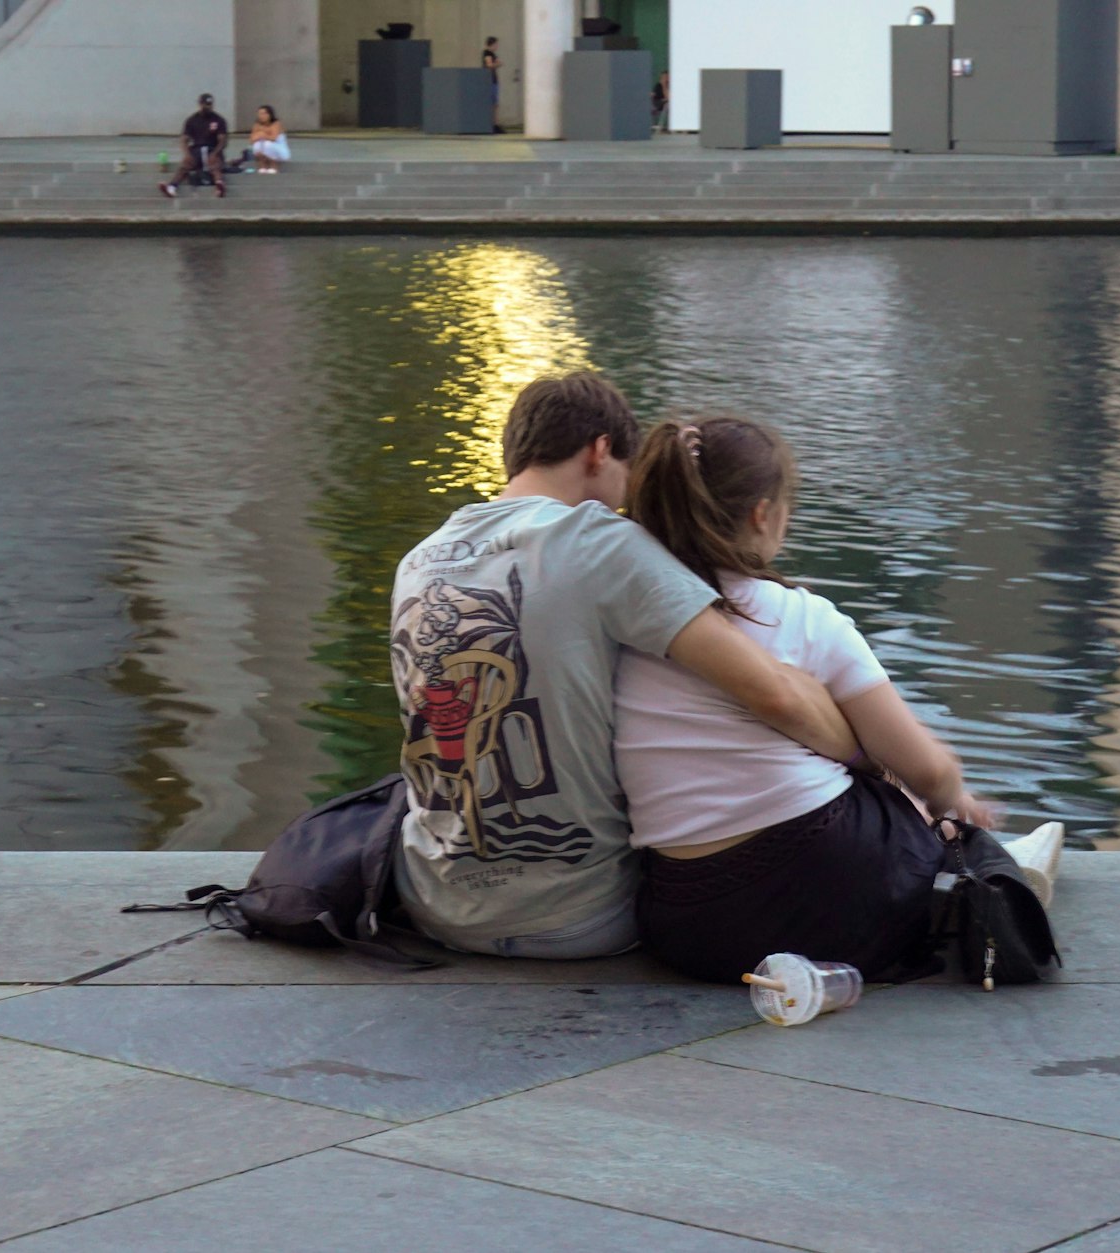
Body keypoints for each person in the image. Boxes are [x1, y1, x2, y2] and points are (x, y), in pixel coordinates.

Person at [388, 374, 859, 960]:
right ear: (600, 450)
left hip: (433, 903)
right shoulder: (600, 541)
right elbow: (774, 696)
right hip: (578, 918)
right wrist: (864, 753)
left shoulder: (420, 559)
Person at [614, 416, 1001, 985]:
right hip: (827, 891)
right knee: (909, 803)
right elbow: (928, 768)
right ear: (762, 515)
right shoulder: (803, 617)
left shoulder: (629, 622)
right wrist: (955, 804)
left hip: (687, 923)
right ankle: (974, 861)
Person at [159, 92, 230, 198]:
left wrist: (215, 153)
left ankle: (219, 186)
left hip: (212, 148)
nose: (208, 107)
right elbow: (184, 139)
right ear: (200, 104)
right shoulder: (192, 120)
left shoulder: (219, 120)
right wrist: (187, 154)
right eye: (205, 104)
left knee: (215, 163)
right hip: (196, 149)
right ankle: (172, 187)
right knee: (185, 165)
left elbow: (223, 140)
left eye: (210, 104)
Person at [248, 105, 289, 173]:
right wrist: (260, 135)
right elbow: (252, 140)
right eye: (260, 114)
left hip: (280, 151)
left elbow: (273, 138)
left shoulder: (276, 124)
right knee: (257, 145)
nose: (261, 116)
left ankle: (274, 165)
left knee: (267, 144)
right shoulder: (257, 125)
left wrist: (262, 134)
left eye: (264, 114)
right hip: (264, 150)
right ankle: (262, 165)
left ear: (270, 114)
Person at [482, 36, 505, 133]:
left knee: (495, 104)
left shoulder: (492, 54)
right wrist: (497, 64)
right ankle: (492, 124)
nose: (497, 46)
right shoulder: (487, 53)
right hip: (490, 81)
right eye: (496, 44)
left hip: (493, 80)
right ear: (492, 44)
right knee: (492, 103)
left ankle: (495, 123)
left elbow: (498, 62)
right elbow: (489, 65)